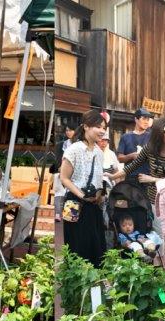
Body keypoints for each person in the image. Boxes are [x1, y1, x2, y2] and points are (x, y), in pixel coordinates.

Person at [58, 109, 108, 267]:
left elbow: (98, 178)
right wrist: (81, 195)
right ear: (86, 127)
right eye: (98, 127)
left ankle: (95, 288)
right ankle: (76, 288)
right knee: (76, 246)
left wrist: (100, 195)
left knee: (95, 245)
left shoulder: (99, 152)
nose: (102, 131)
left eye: (104, 128)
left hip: (93, 203)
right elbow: (64, 177)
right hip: (73, 202)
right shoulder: (74, 149)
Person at [117, 118, 165, 204]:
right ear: (158, 133)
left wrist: (152, 179)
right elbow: (133, 165)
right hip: (152, 199)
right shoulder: (149, 149)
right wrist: (113, 176)